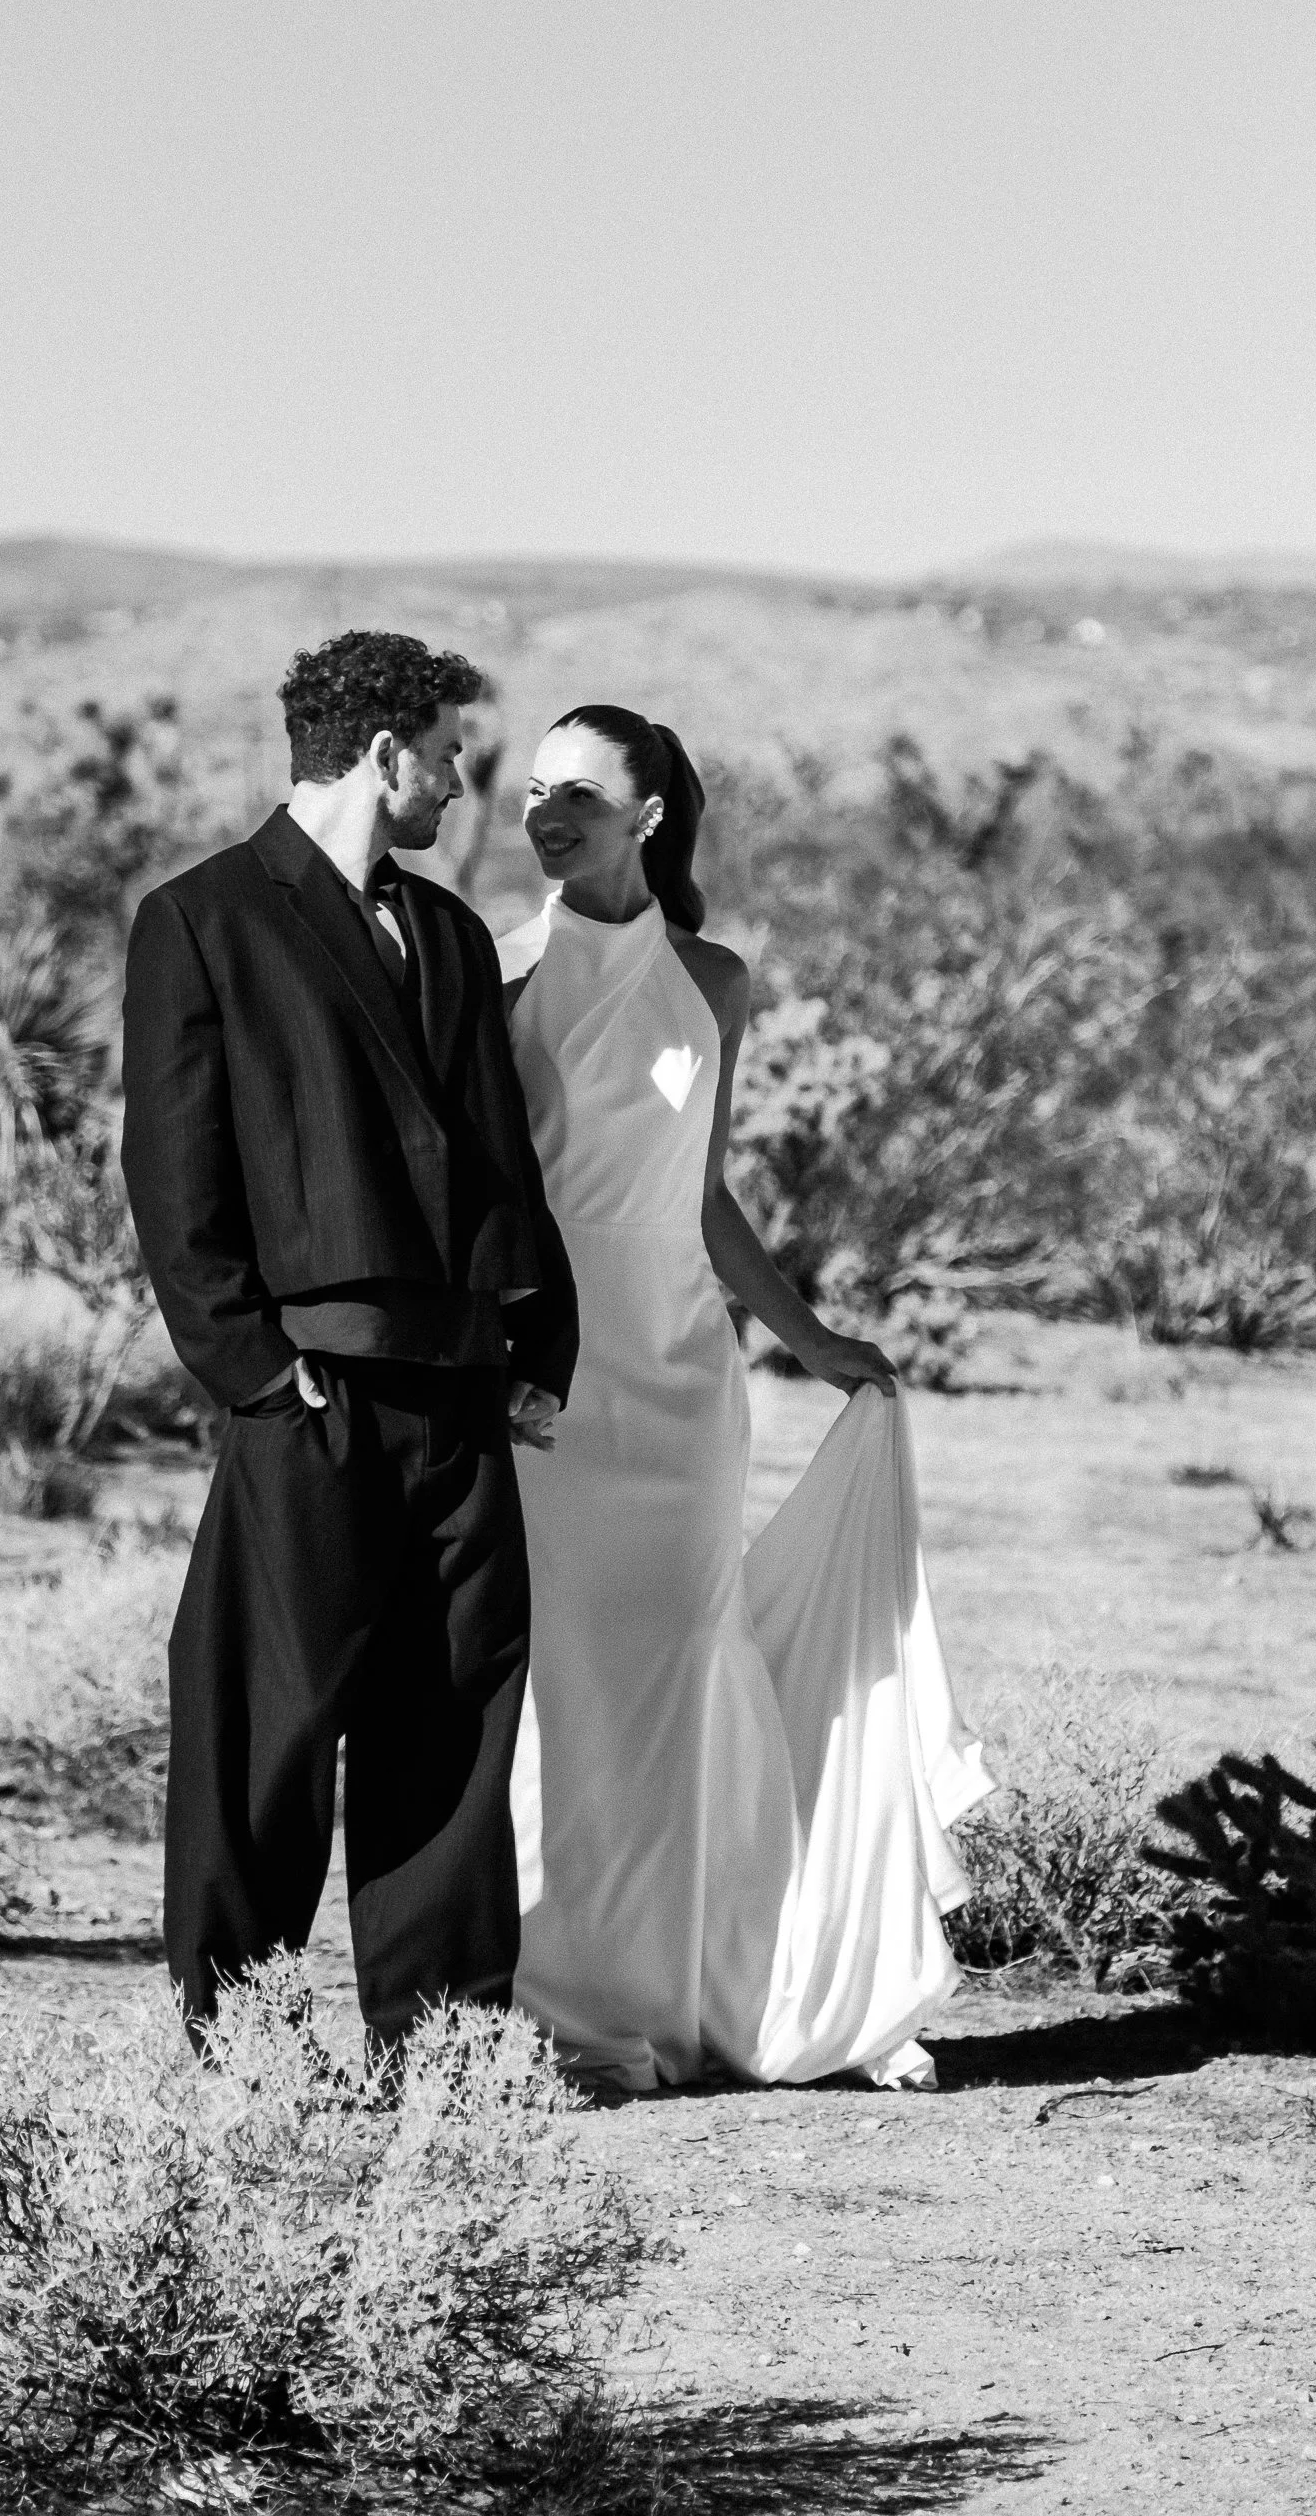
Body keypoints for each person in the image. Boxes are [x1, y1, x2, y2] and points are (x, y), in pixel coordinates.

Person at [498, 705, 990, 2091]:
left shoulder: (715, 980)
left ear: (650, 813)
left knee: (685, 1671)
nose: (548, 814)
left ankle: (722, 1983)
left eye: (580, 795)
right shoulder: (497, 967)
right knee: (568, 1686)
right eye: (536, 790)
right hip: (548, 1370)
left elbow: (702, 1198)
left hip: (682, 1373)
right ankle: (572, 2004)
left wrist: (816, 1340)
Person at [120, 632, 577, 2045]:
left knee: (453, 1725)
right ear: (385, 756)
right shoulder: (201, 920)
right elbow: (175, 1174)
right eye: (444, 754)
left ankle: (442, 2050)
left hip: (457, 1388)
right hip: (308, 1392)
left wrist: (538, 1343)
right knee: (263, 1731)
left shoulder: (444, 930)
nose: (455, 779)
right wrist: (255, 1366)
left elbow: (499, 1158)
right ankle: (236, 2043)